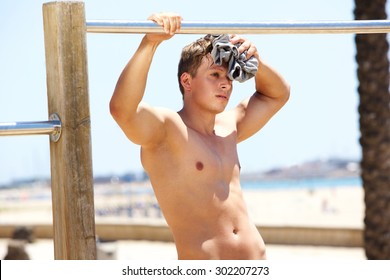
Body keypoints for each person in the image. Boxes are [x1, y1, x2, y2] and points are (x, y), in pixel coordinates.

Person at [110, 13, 290, 260]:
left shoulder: (230, 126)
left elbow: (277, 94)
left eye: (229, 76)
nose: (225, 84)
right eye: (215, 75)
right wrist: (149, 43)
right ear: (187, 81)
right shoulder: (168, 130)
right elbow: (123, 110)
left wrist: (255, 60)